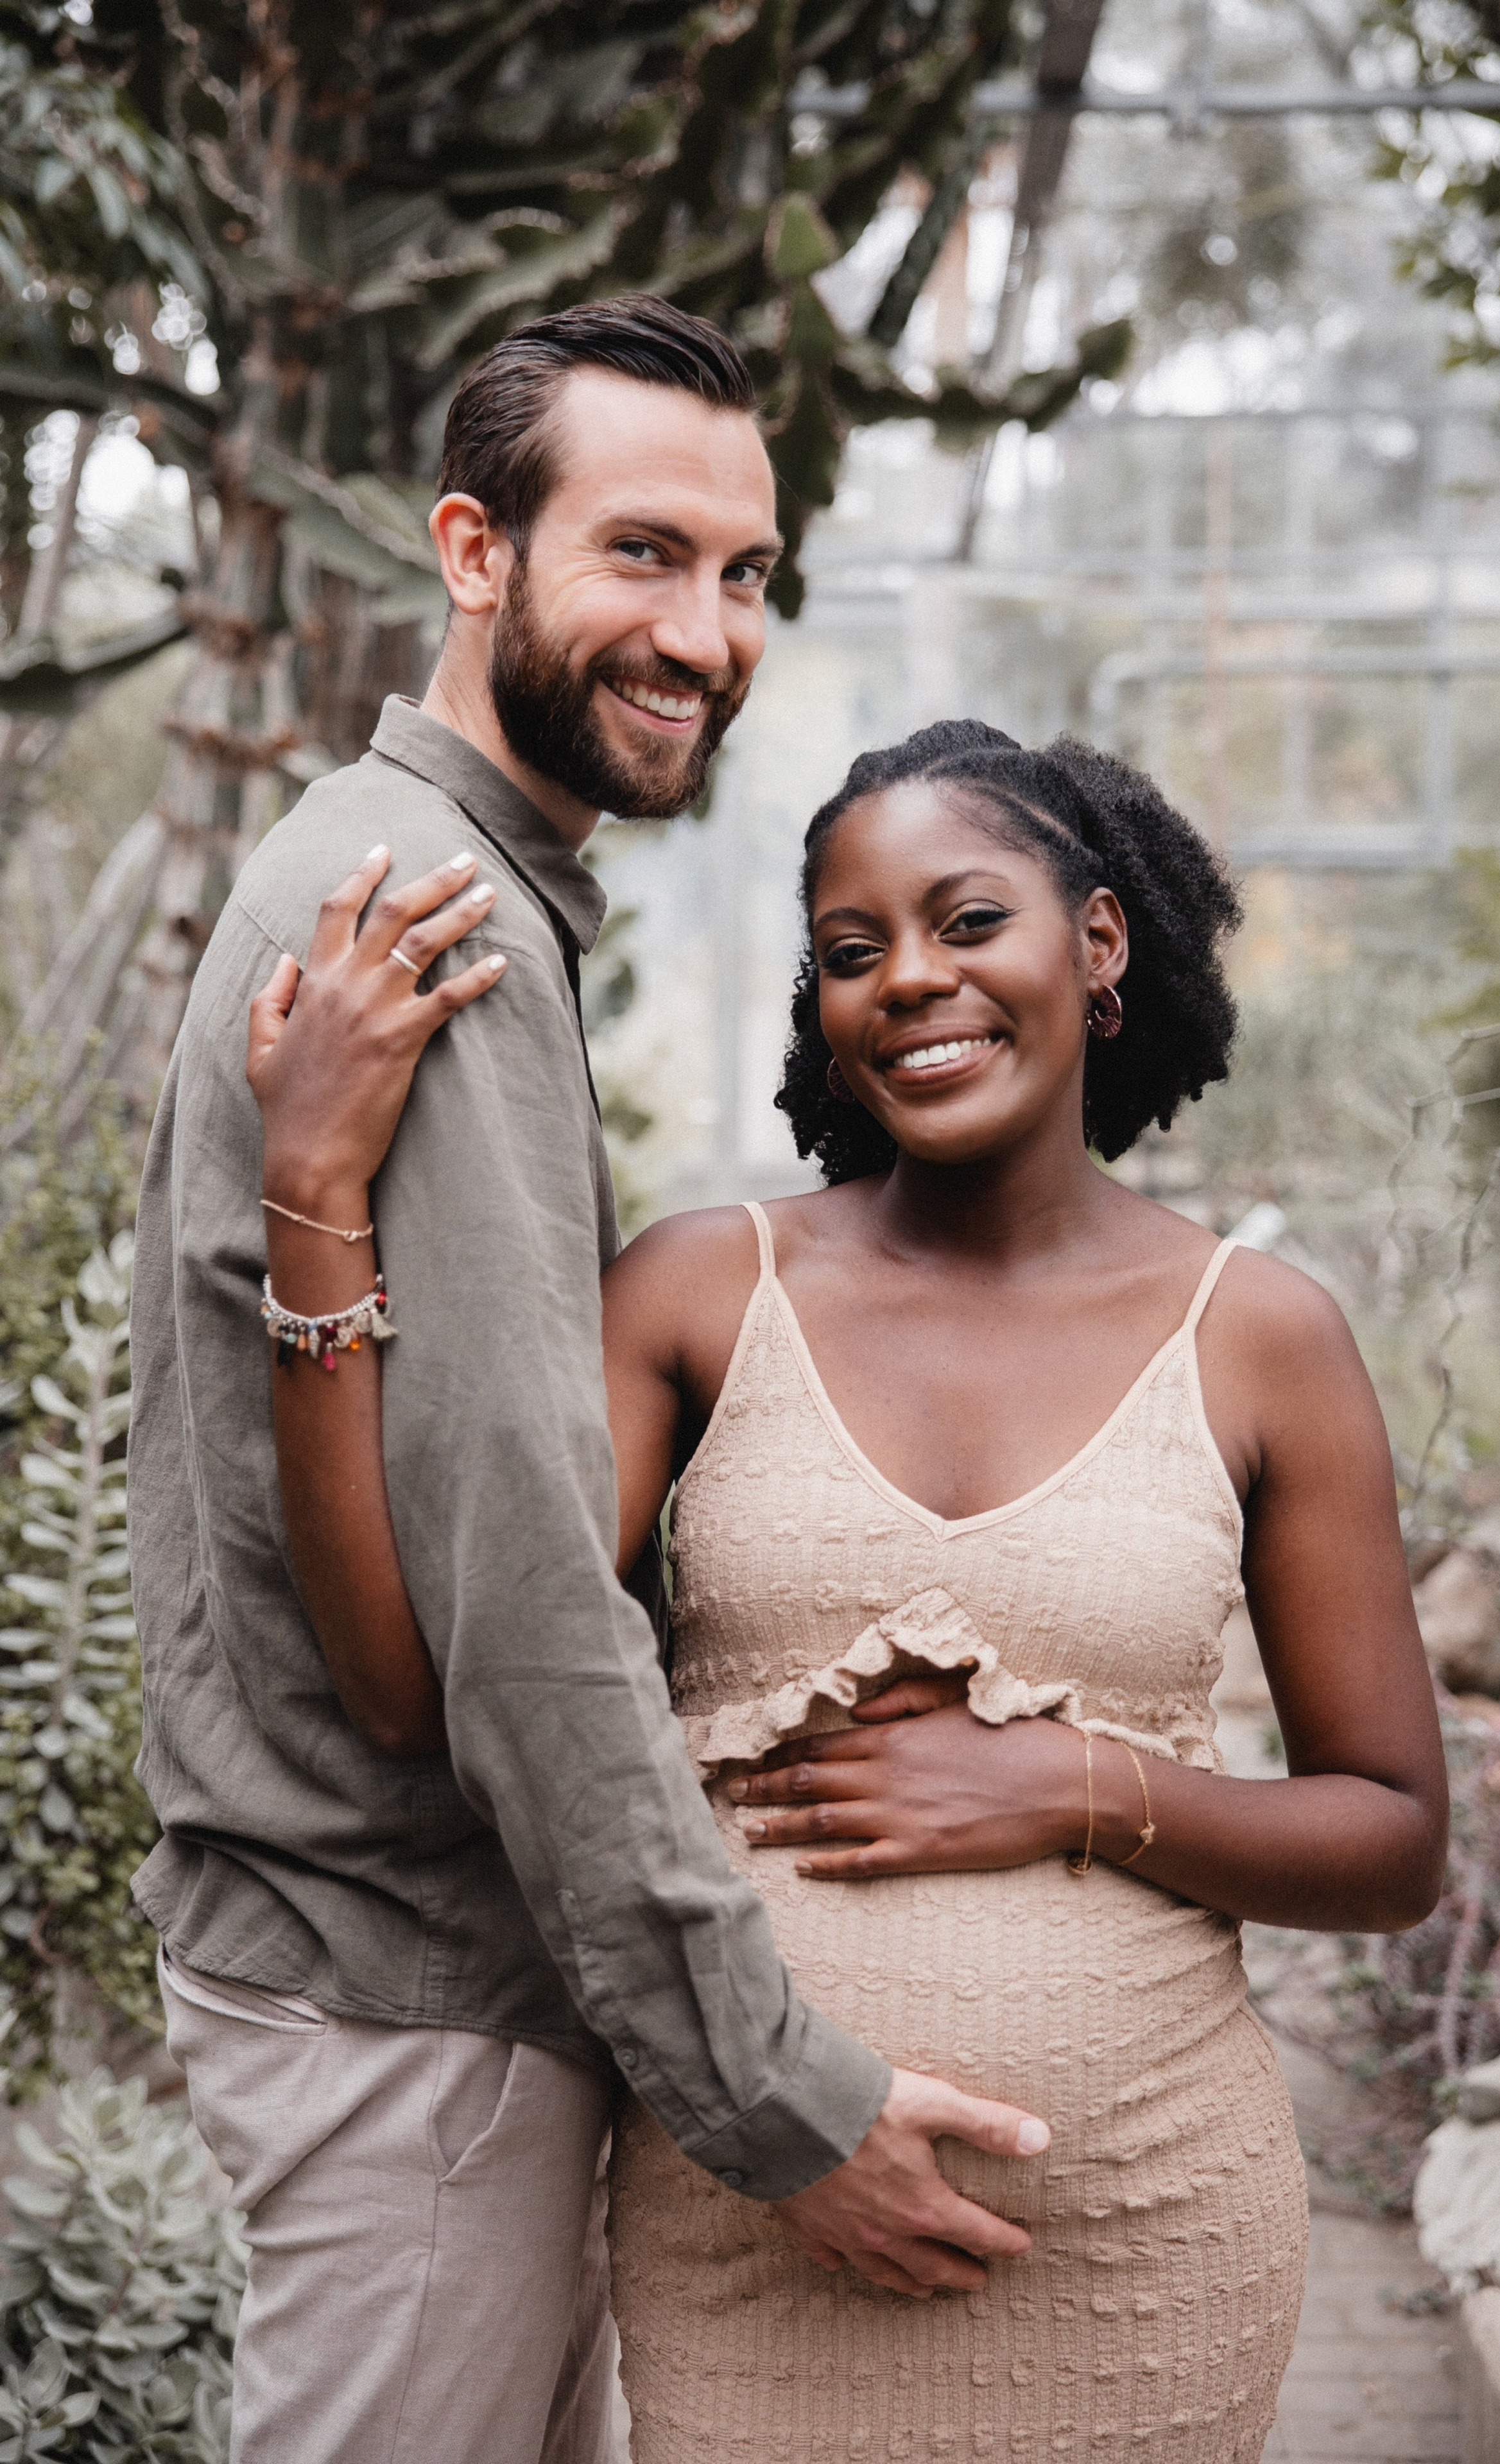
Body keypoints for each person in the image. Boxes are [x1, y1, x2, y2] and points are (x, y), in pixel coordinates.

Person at [245, 717, 1450, 2460]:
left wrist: (1078, 1786)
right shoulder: (695, 1295)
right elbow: (419, 1686)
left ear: (1098, 943)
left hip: (1142, 2251)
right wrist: (309, 1197)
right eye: (852, 951)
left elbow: (1394, 1838)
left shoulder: (1263, 1337)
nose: (912, 982)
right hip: (753, 2231)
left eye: (969, 923)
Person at [127, 300, 1052, 2464]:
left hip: (401, 1985)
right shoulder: (427, 917)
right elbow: (512, 1600)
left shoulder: (441, 883)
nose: (708, 633)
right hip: (401, 1996)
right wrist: (774, 2094)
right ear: (473, 554)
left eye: (744, 576)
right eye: (642, 553)